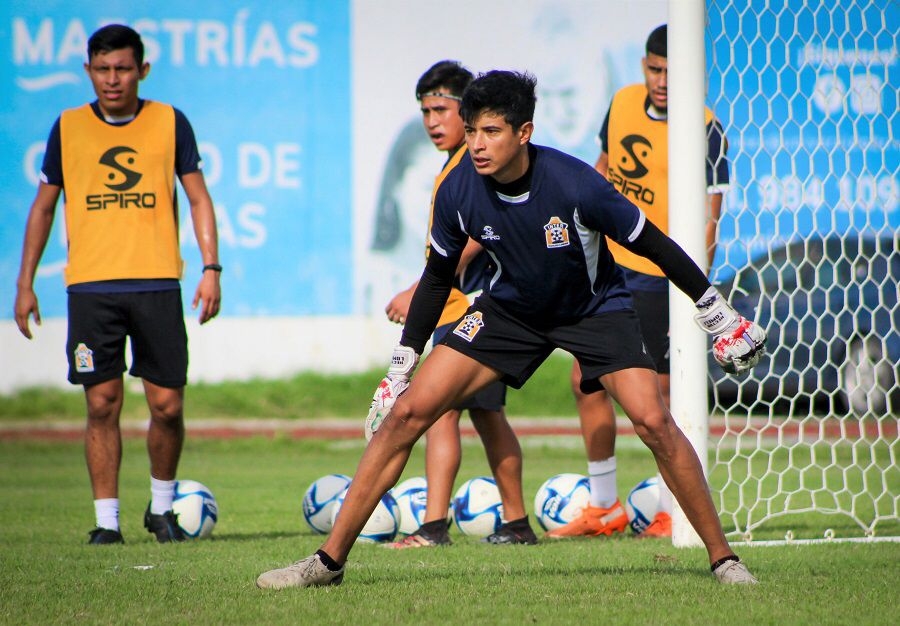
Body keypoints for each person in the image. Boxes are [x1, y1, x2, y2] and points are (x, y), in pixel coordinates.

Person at [256, 70, 764, 589]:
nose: (477, 144)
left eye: (491, 132)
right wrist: (401, 365)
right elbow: (436, 278)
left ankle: (724, 560)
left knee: (654, 422)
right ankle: (326, 564)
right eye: (472, 130)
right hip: (511, 310)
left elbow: (653, 244)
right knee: (406, 412)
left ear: (524, 133)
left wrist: (714, 310)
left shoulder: (575, 183)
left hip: (594, 310)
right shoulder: (458, 190)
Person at [13, 24, 221, 545]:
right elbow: (43, 207)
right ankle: (107, 523)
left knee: (167, 406)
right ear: (88, 71)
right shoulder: (68, 127)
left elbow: (198, 198)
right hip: (91, 288)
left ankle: (162, 508)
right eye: (102, 69)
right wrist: (25, 283)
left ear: (142, 70)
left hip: (156, 284)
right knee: (101, 403)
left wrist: (210, 268)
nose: (112, 79)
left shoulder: (170, 122)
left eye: (123, 68)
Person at [548, 24, 729, 540]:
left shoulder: (706, 126)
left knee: (660, 396)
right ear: (643, 67)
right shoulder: (623, 102)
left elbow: (711, 216)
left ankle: (672, 507)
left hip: (657, 276)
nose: (663, 80)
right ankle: (604, 505)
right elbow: (601, 173)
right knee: (585, 378)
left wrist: (693, 286)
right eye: (655, 69)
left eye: (673, 71)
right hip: (608, 265)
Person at [383, 60, 534, 548]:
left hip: (468, 306)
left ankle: (432, 528)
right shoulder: (456, 166)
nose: (432, 121)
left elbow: (476, 235)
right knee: (488, 416)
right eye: (425, 111)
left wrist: (417, 290)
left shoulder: (473, 165)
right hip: (473, 305)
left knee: (438, 412)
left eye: (441, 109)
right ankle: (516, 523)